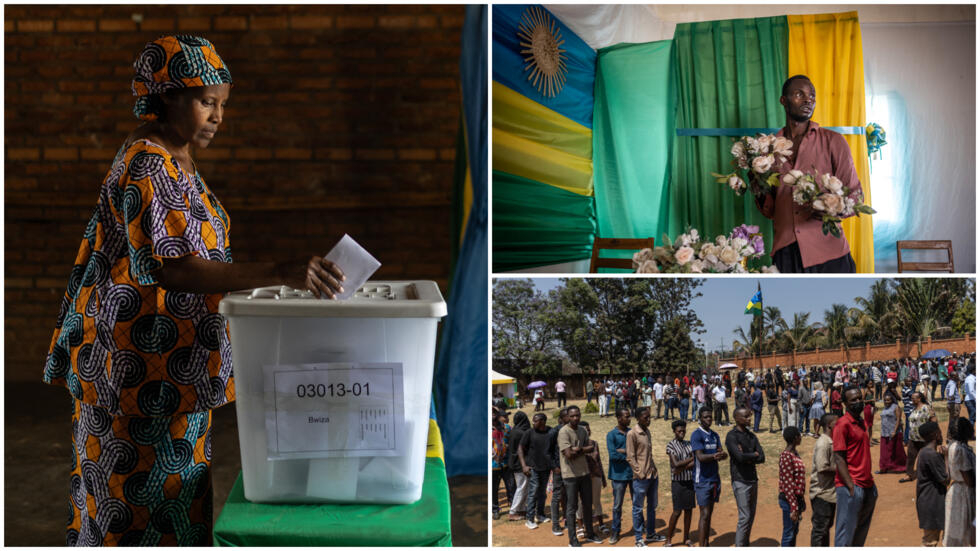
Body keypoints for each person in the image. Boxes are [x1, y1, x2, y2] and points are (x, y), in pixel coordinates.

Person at [40, 35, 351, 546]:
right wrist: (282, 270)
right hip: (136, 373)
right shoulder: (149, 164)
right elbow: (174, 269)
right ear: (166, 96)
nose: (218, 117)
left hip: (170, 371)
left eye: (223, 105)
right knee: (132, 512)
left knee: (174, 504)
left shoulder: (175, 159)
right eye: (207, 101)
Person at [754, 75, 860, 272]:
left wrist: (830, 207)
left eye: (812, 96)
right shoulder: (766, 149)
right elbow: (769, 211)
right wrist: (756, 185)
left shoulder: (834, 142)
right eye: (799, 94)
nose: (808, 100)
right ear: (783, 101)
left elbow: (855, 195)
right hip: (785, 253)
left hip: (830, 252)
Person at [833, 387, 877, 547]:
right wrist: (850, 485)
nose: (858, 402)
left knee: (861, 530)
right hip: (851, 486)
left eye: (859, 398)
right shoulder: (842, 424)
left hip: (868, 484)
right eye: (853, 400)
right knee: (845, 533)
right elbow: (838, 458)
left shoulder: (861, 421)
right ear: (844, 403)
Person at [557, 406, 601, 546]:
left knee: (588, 504)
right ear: (567, 417)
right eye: (572, 416)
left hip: (584, 472)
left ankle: (590, 533)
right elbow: (568, 455)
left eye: (577, 415)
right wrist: (582, 450)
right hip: (570, 475)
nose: (575, 418)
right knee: (572, 507)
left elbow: (591, 447)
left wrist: (579, 449)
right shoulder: (563, 432)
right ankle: (573, 539)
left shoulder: (582, 430)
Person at [725, 407, 765, 546]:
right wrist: (752, 455)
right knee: (745, 517)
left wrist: (749, 456)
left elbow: (762, 457)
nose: (749, 419)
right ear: (737, 418)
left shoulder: (751, 436)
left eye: (749, 416)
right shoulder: (732, 436)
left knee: (751, 516)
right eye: (746, 416)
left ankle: (745, 544)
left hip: (753, 480)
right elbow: (739, 457)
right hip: (740, 480)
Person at [627, 407, 665, 546]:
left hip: (652, 475)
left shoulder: (647, 431)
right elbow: (630, 457)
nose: (648, 420)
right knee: (638, 508)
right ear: (638, 418)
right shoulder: (632, 434)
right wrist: (639, 473)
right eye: (645, 417)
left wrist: (653, 471)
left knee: (652, 506)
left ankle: (650, 533)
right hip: (641, 478)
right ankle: (638, 538)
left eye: (649, 417)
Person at [691, 407, 727, 547]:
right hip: (702, 480)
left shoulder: (714, 435)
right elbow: (699, 456)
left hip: (714, 479)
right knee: (704, 514)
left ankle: (706, 543)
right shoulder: (697, 435)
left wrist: (723, 455)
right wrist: (714, 456)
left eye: (710, 417)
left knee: (709, 514)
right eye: (706, 417)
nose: (709, 419)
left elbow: (720, 452)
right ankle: (702, 545)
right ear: (700, 418)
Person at [944, 417, 976, 546]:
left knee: (957, 528)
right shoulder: (961, 450)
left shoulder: (952, 446)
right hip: (965, 493)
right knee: (965, 530)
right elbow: (969, 480)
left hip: (956, 490)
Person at [915, 421, 948, 546]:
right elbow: (945, 479)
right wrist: (946, 457)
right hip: (932, 503)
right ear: (935, 434)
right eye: (939, 432)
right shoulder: (931, 455)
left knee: (931, 539)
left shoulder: (924, 452)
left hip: (927, 501)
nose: (941, 435)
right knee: (930, 541)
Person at [665, 419, 695, 547]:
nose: (682, 432)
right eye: (679, 431)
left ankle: (686, 538)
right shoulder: (671, 445)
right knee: (677, 511)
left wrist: (681, 467)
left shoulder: (690, 444)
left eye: (683, 430)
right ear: (674, 431)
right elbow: (675, 464)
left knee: (688, 511)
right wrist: (692, 459)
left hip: (689, 482)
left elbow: (693, 464)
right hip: (677, 483)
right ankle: (668, 539)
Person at [519, 413, 552, 530]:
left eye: (535, 421)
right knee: (533, 492)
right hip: (533, 468)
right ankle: (530, 519)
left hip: (546, 467)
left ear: (543, 421)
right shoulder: (529, 432)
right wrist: (524, 465)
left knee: (542, 492)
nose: (533, 423)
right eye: (533, 421)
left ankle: (541, 514)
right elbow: (520, 448)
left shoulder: (550, 431)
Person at [810, 413, 838, 546]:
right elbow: (822, 467)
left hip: (829, 493)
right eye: (836, 423)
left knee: (825, 529)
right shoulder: (823, 444)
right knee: (820, 531)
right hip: (822, 494)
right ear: (829, 425)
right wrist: (842, 469)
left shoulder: (830, 442)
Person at [607, 408, 633, 544]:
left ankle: (639, 527)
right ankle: (616, 531)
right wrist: (630, 455)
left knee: (637, 503)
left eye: (629, 416)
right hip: (618, 475)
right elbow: (613, 455)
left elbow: (638, 451)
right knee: (617, 505)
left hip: (633, 474)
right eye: (626, 417)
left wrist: (624, 451)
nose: (629, 419)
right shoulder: (611, 435)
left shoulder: (632, 432)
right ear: (618, 418)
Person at [577, 422, 607, 538]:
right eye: (585, 430)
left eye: (589, 430)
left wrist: (603, 478)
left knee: (597, 501)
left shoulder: (594, 444)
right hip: (582, 477)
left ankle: (601, 524)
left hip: (595, 475)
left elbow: (598, 461)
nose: (588, 432)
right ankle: (580, 526)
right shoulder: (577, 445)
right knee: (580, 502)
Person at [778, 426, 807, 546]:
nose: (801, 438)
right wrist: (794, 507)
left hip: (795, 499)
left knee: (794, 532)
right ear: (795, 438)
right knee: (788, 533)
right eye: (799, 436)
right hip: (789, 500)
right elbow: (788, 484)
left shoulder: (794, 453)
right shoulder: (786, 456)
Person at [901, 392, 938, 483]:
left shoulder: (926, 408)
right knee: (910, 457)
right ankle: (909, 474)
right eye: (912, 398)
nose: (912, 400)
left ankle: (931, 474)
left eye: (914, 398)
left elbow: (934, 421)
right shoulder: (914, 409)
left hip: (925, 438)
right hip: (913, 438)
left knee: (927, 457)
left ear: (919, 399)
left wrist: (935, 437)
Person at [506, 411, 531, 521]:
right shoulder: (521, 433)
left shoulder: (514, 431)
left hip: (514, 462)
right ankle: (513, 511)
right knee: (522, 486)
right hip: (520, 463)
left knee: (523, 486)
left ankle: (521, 508)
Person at [549, 408, 569, 535]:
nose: (571, 418)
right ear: (561, 419)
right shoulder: (554, 432)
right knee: (557, 496)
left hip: (571, 468)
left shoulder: (574, 430)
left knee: (569, 495)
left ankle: (569, 520)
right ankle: (555, 524)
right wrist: (554, 466)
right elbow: (547, 452)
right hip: (558, 468)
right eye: (568, 416)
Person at [877, 392, 907, 473]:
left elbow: (898, 420)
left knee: (896, 451)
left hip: (894, 432)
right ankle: (884, 467)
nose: (886, 401)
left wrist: (894, 431)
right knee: (884, 451)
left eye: (888, 400)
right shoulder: (885, 408)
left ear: (892, 400)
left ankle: (900, 466)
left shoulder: (896, 407)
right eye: (885, 400)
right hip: (884, 432)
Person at [492, 412, 507, 520]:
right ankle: (495, 509)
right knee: (494, 488)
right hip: (493, 465)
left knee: (497, 487)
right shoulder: (492, 434)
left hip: (500, 463)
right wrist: (495, 456)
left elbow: (502, 446)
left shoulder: (500, 434)